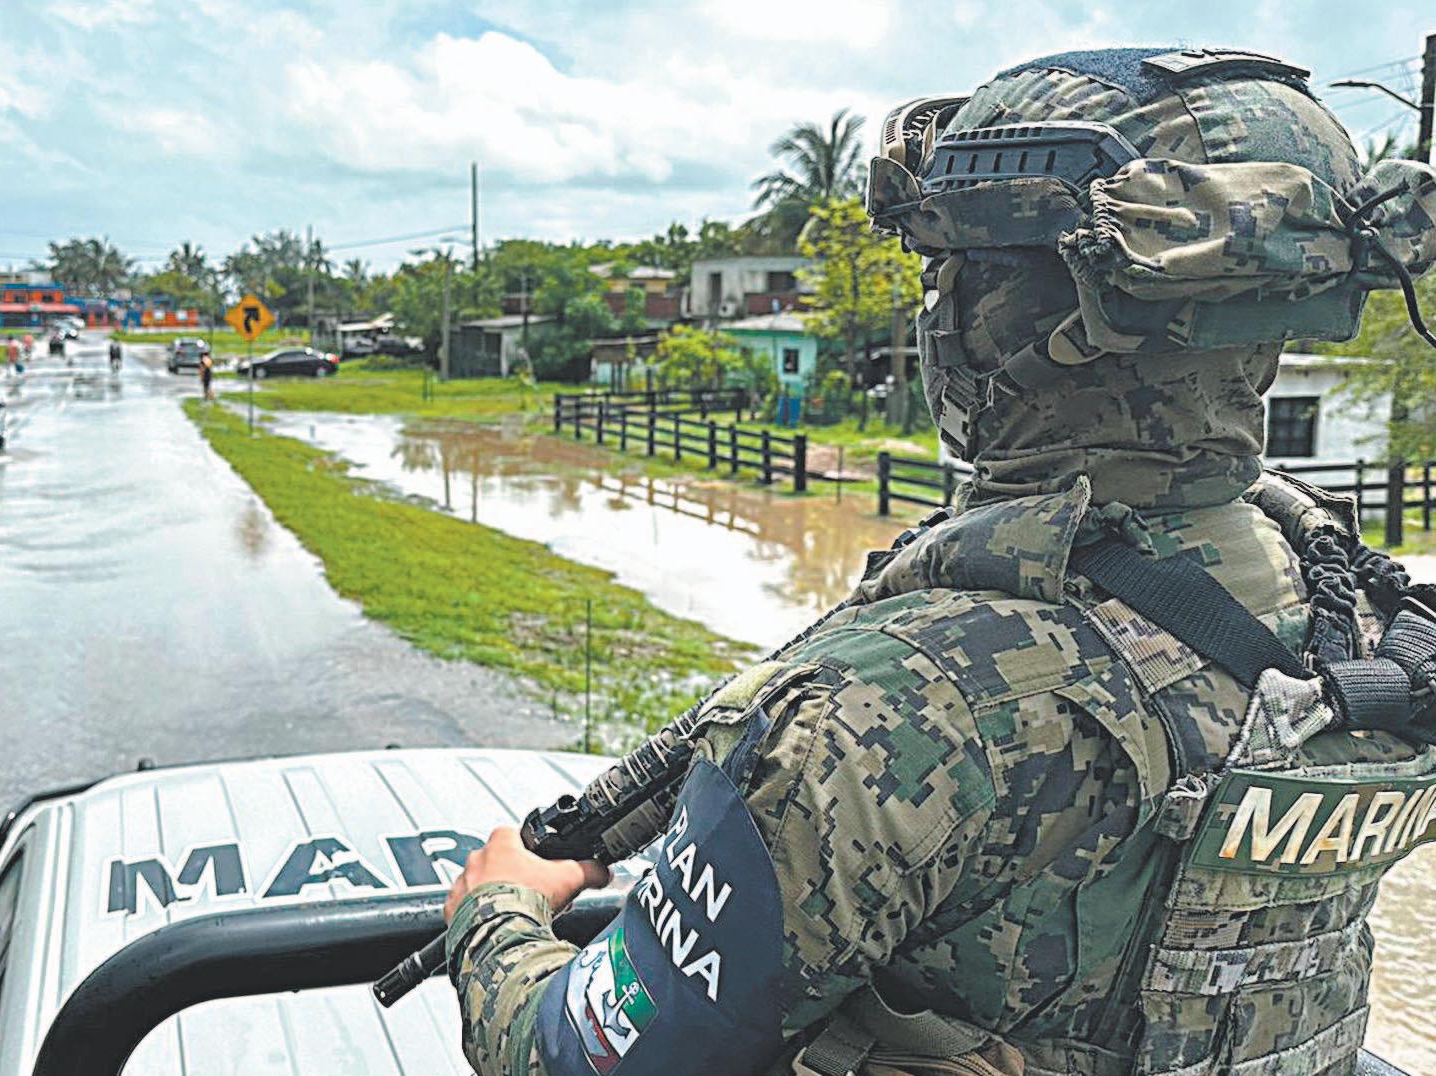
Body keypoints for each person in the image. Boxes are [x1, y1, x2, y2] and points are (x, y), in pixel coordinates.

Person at [442, 48, 1436, 1076]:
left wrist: (495, 911)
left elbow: (581, 1057)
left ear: (995, 320)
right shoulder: (1368, 629)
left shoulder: (887, 711)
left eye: (944, 274)